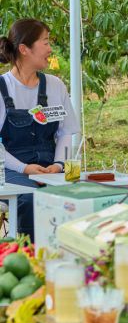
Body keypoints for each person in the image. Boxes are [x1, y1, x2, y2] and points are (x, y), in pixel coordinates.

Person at [0, 19, 78, 240]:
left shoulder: (55, 85)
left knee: (78, 195)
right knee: (33, 199)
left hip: (51, 168)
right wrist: (25, 168)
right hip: (12, 170)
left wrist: (59, 164)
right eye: (45, 42)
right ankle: (29, 254)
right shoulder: (2, 88)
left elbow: (66, 132)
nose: (50, 49)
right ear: (24, 49)